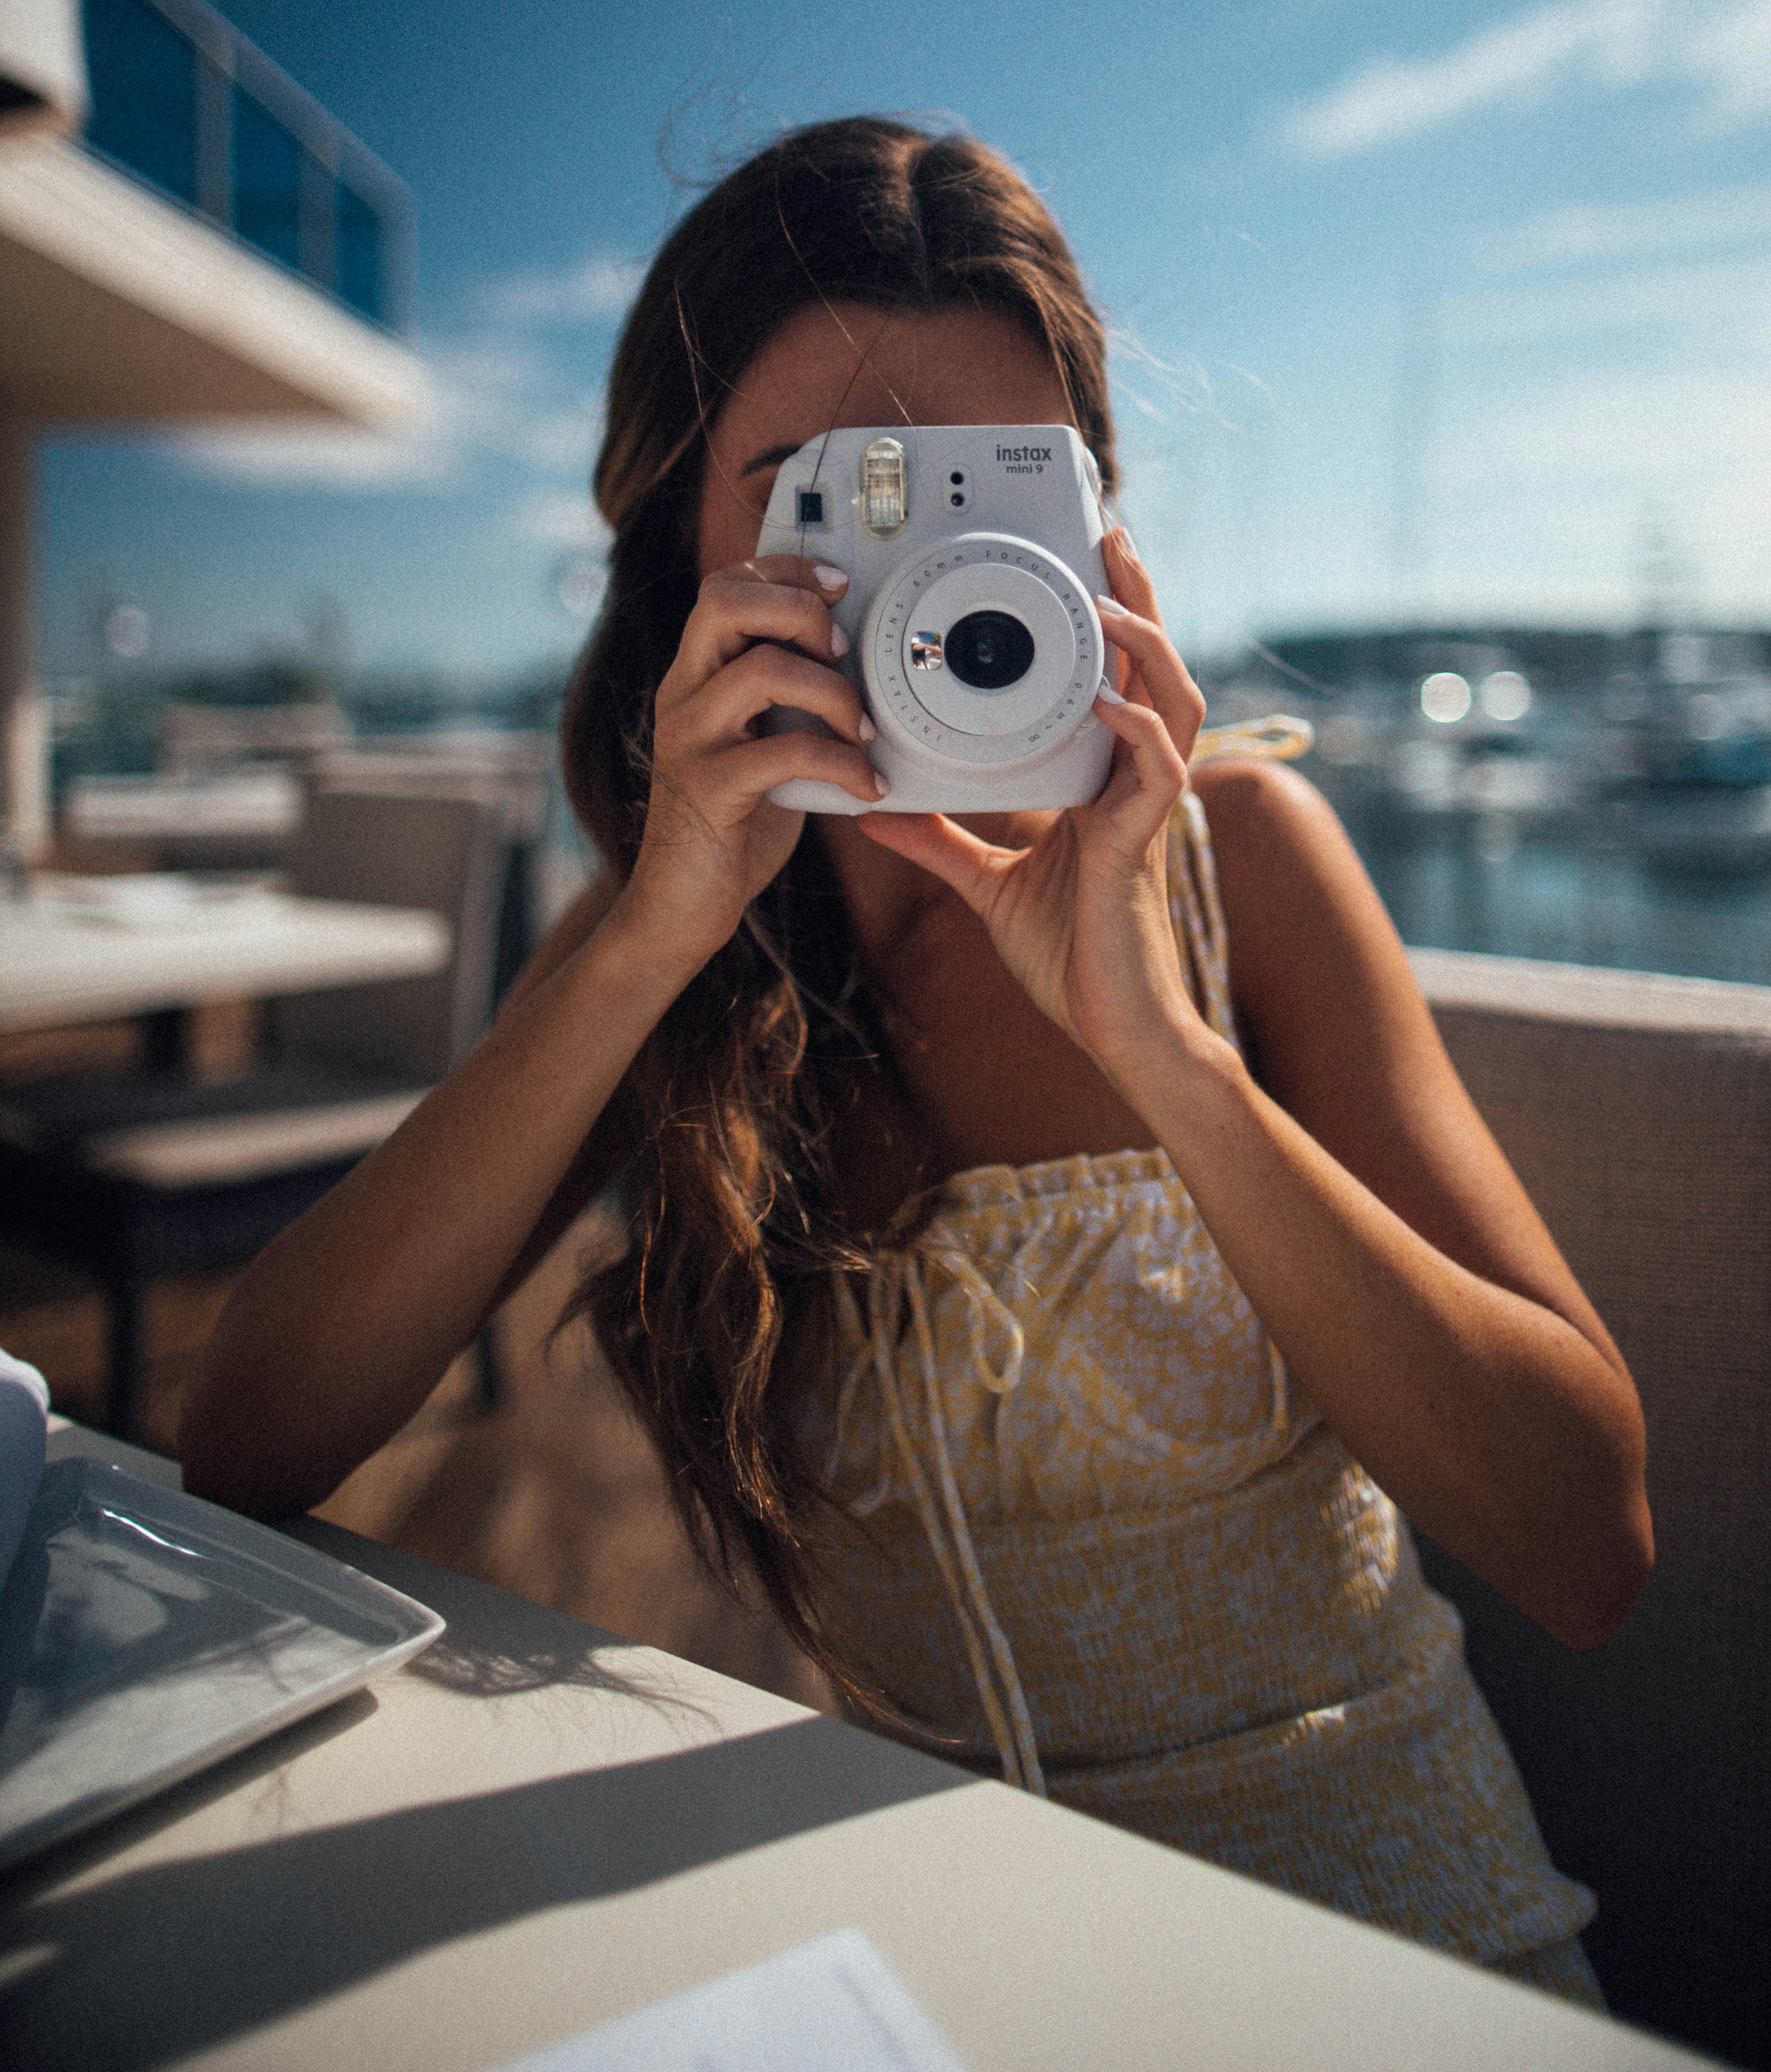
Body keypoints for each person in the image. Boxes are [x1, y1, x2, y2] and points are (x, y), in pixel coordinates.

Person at [180, 117, 1652, 2003]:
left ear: (1093, 536)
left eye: (982, 493)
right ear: (684, 545)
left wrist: (1160, 1046)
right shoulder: (669, 944)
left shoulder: (1241, 866)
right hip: (929, 1967)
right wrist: (651, 934)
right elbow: (246, 1438)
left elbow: (1587, 1546)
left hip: (1371, 1945)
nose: (919, 581)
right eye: (823, 500)